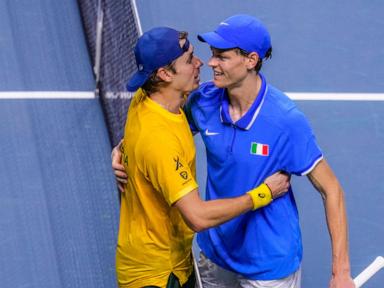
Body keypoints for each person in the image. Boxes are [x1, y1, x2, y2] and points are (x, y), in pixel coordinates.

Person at [113, 15, 355, 287]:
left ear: (251, 60)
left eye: (222, 57)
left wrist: (341, 272)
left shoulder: (285, 122)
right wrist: (124, 148)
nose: (210, 62)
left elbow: (331, 189)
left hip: (267, 267)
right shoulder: (202, 102)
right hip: (215, 255)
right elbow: (156, 128)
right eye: (212, 54)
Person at [115, 26, 290, 288]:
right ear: (163, 74)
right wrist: (262, 194)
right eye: (189, 60)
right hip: (157, 276)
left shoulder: (145, 98)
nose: (201, 63)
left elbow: (140, 143)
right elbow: (197, 217)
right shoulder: (159, 141)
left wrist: (121, 151)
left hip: (169, 259)